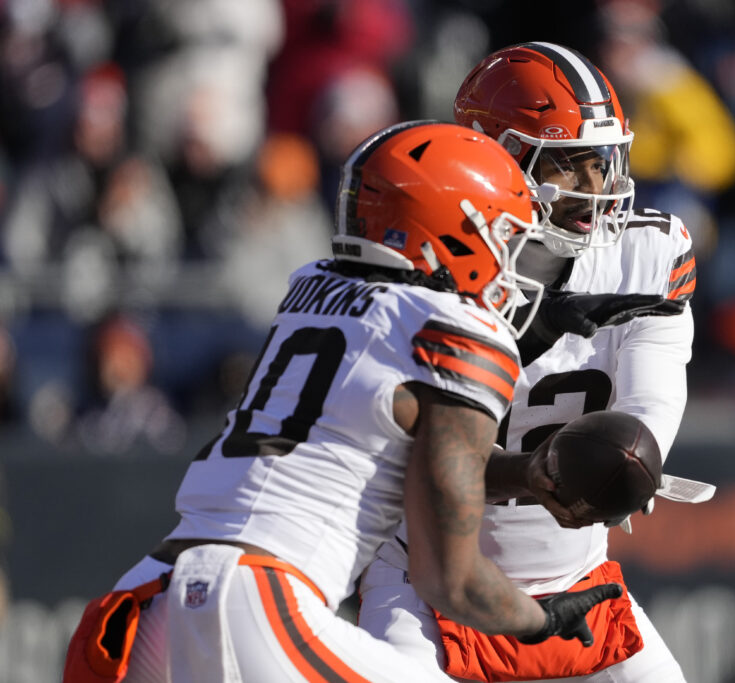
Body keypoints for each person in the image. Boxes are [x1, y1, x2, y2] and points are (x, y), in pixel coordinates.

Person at [61, 121, 629, 683]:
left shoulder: (312, 286)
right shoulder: (462, 333)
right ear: (457, 231)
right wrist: (537, 619)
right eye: (505, 234)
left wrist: (526, 474)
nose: (511, 256)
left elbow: (391, 446)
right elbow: (449, 580)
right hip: (258, 597)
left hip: (153, 596)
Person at [359, 42, 700, 682]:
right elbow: (418, 461)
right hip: (426, 579)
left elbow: (651, 398)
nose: (595, 189)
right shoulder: (428, 264)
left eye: (603, 162)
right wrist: (539, 473)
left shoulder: (646, 252)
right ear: (496, 157)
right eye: (569, 166)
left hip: (578, 576)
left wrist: (630, 459)